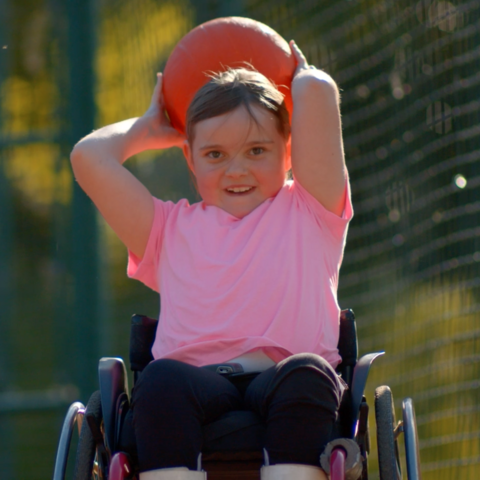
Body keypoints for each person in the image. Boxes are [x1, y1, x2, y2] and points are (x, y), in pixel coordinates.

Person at [70, 40, 352, 480]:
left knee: (308, 375)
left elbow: (319, 94)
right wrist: (149, 128)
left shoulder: (311, 210)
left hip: (286, 378)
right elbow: (88, 157)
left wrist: (302, 75)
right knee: (160, 382)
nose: (235, 170)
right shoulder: (165, 229)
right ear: (190, 159)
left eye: (257, 150)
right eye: (215, 155)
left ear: (289, 152)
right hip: (192, 386)